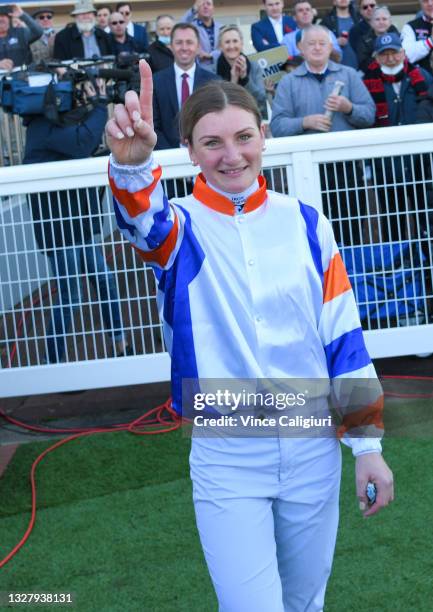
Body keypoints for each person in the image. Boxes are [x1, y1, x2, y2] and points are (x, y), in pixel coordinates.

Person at [105, 58, 394, 612]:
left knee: (306, 603)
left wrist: (368, 446)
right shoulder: (179, 226)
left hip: (313, 445)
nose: (231, 155)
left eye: (243, 137)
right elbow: (142, 222)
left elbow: (342, 336)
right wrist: (133, 169)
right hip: (226, 453)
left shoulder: (306, 222)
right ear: (189, 150)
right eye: (211, 143)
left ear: (264, 135)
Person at [23, 78, 132, 363]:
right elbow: (82, 142)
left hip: (77, 226)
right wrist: (98, 104)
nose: (75, 99)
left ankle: (120, 344)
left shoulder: (54, 123)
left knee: (105, 281)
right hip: (59, 231)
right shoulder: (41, 127)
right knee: (70, 295)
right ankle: (52, 360)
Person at [363, 32, 432, 242]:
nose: (391, 58)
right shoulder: (366, 83)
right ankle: (398, 270)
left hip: (421, 163)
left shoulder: (422, 77)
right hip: (386, 165)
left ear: (403, 53)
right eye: (385, 54)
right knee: (392, 220)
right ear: (376, 57)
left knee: (427, 217)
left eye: (395, 52)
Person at [271, 25, 375, 137]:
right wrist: (304, 122)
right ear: (300, 47)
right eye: (311, 43)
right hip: (306, 153)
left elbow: (370, 117)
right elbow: (277, 127)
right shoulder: (288, 82)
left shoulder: (350, 75)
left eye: (322, 43)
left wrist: (349, 108)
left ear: (330, 47)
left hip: (345, 151)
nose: (317, 48)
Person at [152, 23, 219, 150]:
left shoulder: (214, 82)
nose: (184, 47)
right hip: (168, 155)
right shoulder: (156, 81)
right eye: (179, 42)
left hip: (206, 154)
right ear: (171, 46)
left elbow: (218, 122)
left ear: (198, 47)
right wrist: (171, 153)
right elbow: (153, 125)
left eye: (189, 42)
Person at [211, 25, 267, 117]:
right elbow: (214, 104)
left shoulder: (254, 67)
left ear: (241, 44)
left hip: (250, 118)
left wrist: (244, 78)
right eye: (227, 42)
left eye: (235, 41)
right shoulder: (212, 71)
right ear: (220, 46)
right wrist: (233, 80)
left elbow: (261, 100)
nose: (231, 46)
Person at [0, 3, 43, 70]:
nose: (0, 19)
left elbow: (38, 32)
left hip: (24, 77)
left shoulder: (20, 33)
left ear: (9, 19)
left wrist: (22, 15)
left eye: (3, 16)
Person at [357, 6, 399, 73]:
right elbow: (363, 64)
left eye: (384, 19)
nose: (381, 22)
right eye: (377, 19)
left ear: (390, 22)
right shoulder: (364, 41)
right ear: (371, 23)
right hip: (374, 75)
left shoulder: (398, 37)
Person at [320, 0, 360, 69]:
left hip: (358, 69)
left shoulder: (358, 18)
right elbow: (320, 44)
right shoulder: (327, 21)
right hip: (335, 68)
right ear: (334, 2)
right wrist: (335, 42)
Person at [182, 0, 222, 66]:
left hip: (219, 67)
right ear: (197, 8)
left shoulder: (221, 27)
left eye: (208, 4)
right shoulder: (191, 26)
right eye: (202, 4)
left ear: (213, 9)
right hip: (198, 67)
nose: (205, 6)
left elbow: (223, 47)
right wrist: (193, 10)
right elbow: (179, 26)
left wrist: (211, 55)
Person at [401, 0, 433, 76]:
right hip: (422, 82)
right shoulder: (410, 26)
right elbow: (406, 56)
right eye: (425, 1)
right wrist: (430, 42)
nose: (430, 4)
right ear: (420, 4)